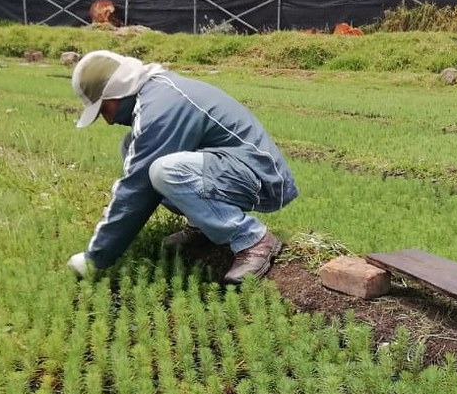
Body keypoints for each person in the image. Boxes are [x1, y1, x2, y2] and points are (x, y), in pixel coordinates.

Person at [66, 50, 298, 283]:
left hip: (261, 176)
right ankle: (203, 227)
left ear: (117, 92)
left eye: (104, 109)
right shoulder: (155, 94)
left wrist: (96, 258)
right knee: (131, 146)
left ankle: (253, 238)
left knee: (163, 171)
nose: (108, 121)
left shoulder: (161, 107)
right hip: (233, 168)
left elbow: (136, 189)